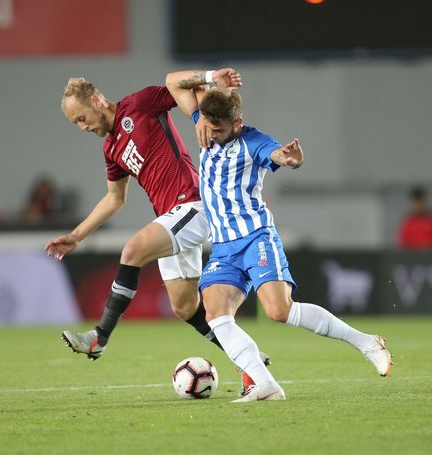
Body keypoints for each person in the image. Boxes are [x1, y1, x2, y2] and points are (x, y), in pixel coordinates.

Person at [166, 68, 393, 402]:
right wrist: (212, 77)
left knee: (279, 311)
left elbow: (276, 154)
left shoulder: (253, 141)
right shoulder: (204, 123)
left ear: (237, 124)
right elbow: (173, 81)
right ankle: (266, 385)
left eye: (219, 129)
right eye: (208, 127)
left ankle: (366, 342)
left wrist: (289, 159)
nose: (211, 135)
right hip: (224, 247)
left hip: (256, 236)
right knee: (215, 314)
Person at [46, 78, 269, 390]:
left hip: (194, 204)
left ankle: (100, 336)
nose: (82, 127)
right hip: (171, 217)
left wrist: (207, 91)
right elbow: (115, 198)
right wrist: (77, 235)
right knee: (185, 308)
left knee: (132, 251)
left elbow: (180, 86)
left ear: (96, 100)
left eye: (81, 118)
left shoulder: (138, 105)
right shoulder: (111, 149)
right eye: (76, 124)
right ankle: (252, 363)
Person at [397, 186, 432, 250]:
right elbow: (402, 242)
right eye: (416, 202)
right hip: (412, 257)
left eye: (420, 201)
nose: (418, 205)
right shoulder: (407, 221)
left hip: (431, 256)